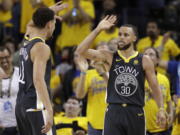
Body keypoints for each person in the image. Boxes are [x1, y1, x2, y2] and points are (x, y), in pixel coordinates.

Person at [75, 15, 167, 135]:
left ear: (134, 38)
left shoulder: (144, 60)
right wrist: (98, 30)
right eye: (120, 34)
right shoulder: (109, 56)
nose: (121, 38)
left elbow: (155, 87)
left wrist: (161, 108)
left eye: (126, 35)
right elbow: (80, 51)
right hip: (114, 111)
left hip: (135, 111)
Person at [15, 2, 67, 135]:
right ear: (49, 24)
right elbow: (38, 80)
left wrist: (49, 11)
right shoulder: (41, 47)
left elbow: (30, 24)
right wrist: (49, 110)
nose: (54, 27)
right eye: (54, 23)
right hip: (36, 106)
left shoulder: (27, 39)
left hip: (21, 105)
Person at [75, 44, 109, 135]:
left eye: (104, 53)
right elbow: (79, 95)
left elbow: (117, 91)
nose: (100, 56)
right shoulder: (89, 73)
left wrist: (103, 73)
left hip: (114, 122)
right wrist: (83, 72)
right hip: (94, 123)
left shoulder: (116, 71)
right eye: (98, 53)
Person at [144, 47, 173, 135]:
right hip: (143, 129)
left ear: (157, 60)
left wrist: (171, 113)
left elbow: (168, 100)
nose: (147, 57)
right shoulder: (137, 78)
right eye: (145, 55)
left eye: (151, 54)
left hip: (162, 129)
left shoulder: (164, 79)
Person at [0, 46, 19, 135]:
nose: (4, 60)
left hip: (18, 125)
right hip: (1, 127)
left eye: (6, 57)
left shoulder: (20, 73)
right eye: (1, 58)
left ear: (11, 57)